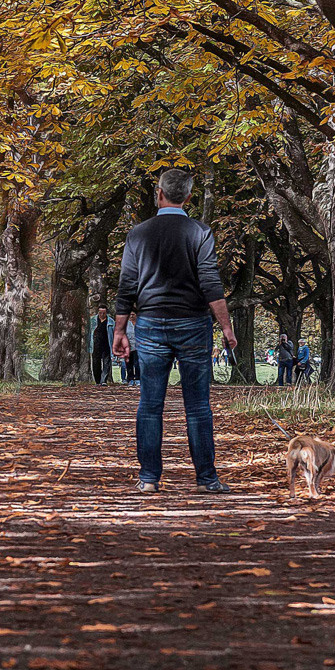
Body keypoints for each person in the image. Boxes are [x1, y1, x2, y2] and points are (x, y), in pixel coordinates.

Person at [112, 167, 237, 494]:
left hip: (151, 324)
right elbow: (211, 282)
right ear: (189, 197)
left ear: (159, 193)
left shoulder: (138, 234)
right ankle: (207, 479)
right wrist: (226, 328)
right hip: (193, 325)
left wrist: (119, 331)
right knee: (198, 405)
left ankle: (149, 478)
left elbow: (127, 287)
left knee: (150, 403)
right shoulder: (199, 232)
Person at [91, 307, 113, 384]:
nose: (102, 314)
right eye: (100, 312)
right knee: (96, 363)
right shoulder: (93, 321)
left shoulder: (111, 321)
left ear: (106, 313)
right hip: (96, 345)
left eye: (104, 313)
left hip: (107, 344)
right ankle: (97, 381)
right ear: (98, 312)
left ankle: (103, 380)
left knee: (106, 363)